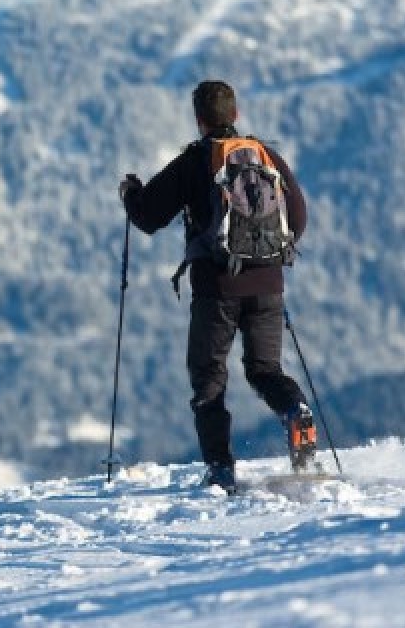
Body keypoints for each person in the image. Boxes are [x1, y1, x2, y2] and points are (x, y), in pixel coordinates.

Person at [118, 80, 315, 493]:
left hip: (217, 290)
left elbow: (149, 217)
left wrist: (130, 194)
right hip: (268, 285)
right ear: (236, 114)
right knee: (265, 370)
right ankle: (296, 412)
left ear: (199, 119)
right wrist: (269, 254)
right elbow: (297, 216)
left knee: (209, 380)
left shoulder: (194, 162)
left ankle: (222, 469)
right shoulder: (265, 156)